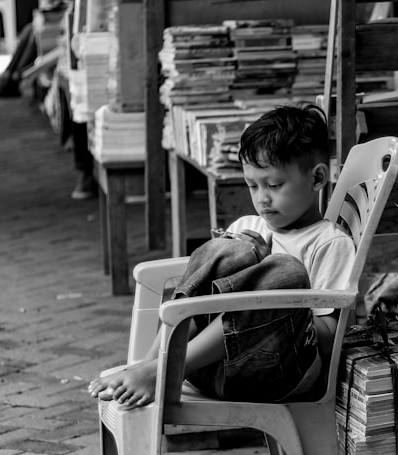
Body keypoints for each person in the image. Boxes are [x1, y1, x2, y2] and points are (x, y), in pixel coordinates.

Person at [88, 103, 354, 409]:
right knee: (231, 249)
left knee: (285, 272)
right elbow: (206, 305)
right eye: (252, 185)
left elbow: (330, 337)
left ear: (318, 178)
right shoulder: (248, 227)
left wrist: (270, 290)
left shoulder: (329, 243)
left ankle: (164, 370)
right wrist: (244, 267)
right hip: (209, 369)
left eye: (274, 185)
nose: (262, 198)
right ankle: (153, 364)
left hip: (278, 373)